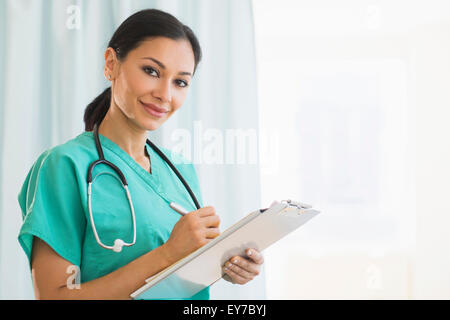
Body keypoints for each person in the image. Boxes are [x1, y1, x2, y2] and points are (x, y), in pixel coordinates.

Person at [17, 9, 264, 300]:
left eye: (180, 82)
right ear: (111, 64)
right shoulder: (64, 166)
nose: (165, 94)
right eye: (151, 71)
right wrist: (169, 253)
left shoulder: (180, 170)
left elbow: (178, 279)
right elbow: (54, 296)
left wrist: (223, 264)